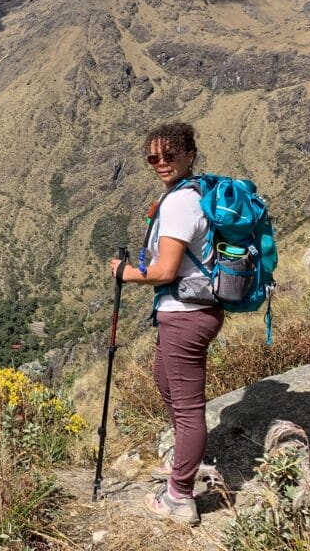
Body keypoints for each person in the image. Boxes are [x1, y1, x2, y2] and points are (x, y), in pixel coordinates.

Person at [108, 121, 223, 527]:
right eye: (153, 157)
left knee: (189, 408)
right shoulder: (191, 194)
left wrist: (125, 273)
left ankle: (179, 497)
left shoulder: (178, 203)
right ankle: (186, 461)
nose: (161, 163)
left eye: (170, 155)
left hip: (186, 316)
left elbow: (166, 271)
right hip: (188, 312)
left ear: (190, 154)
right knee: (164, 380)